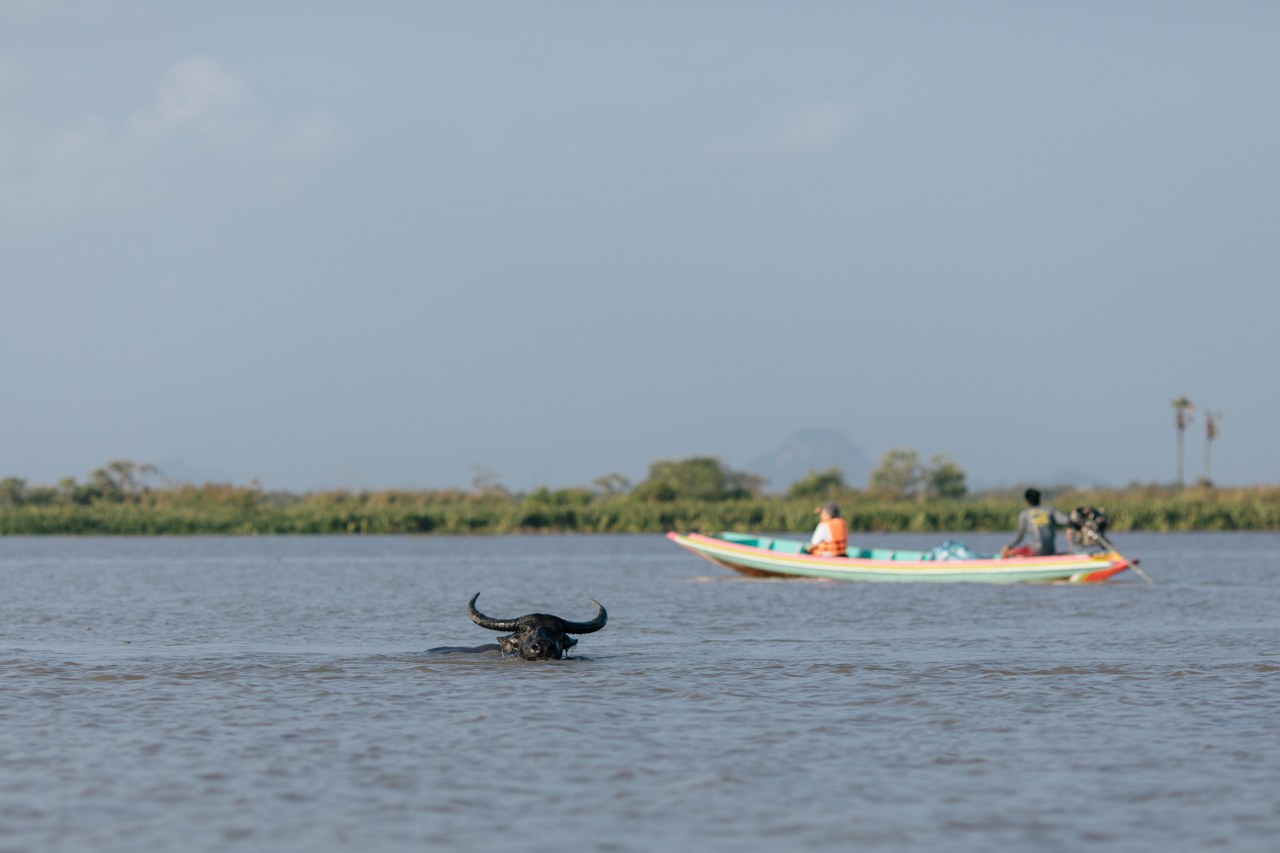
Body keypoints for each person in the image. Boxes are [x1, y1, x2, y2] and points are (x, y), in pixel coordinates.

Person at [1000, 488, 1071, 558]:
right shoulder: (1051, 510)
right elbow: (1067, 520)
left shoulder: (1024, 514)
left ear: (1026, 501)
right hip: (1050, 550)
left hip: (1034, 550)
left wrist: (1008, 546)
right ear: (1039, 499)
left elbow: (1019, 535)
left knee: (1006, 553)